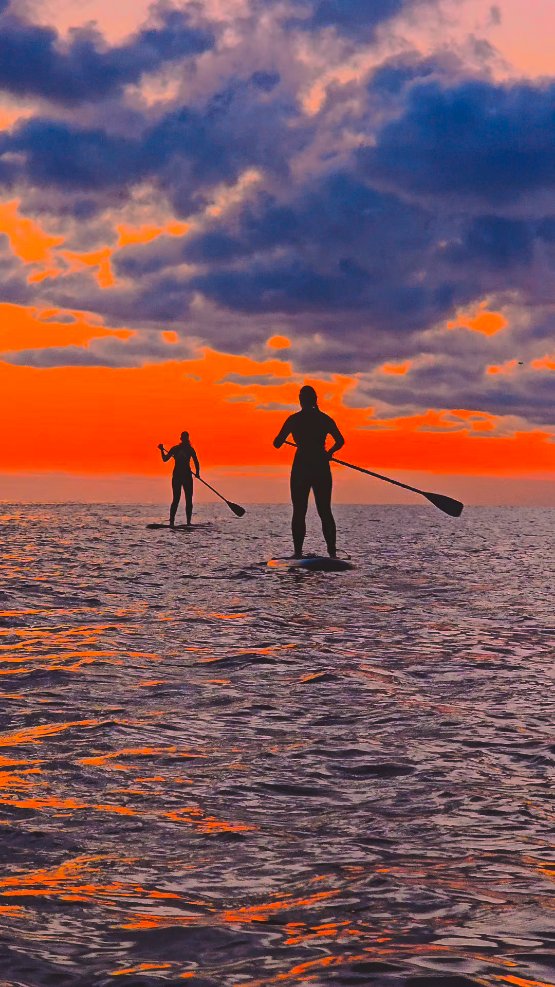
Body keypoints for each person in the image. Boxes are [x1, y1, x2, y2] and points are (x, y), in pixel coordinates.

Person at [273, 386, 344, 558]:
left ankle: (298, 553)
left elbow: (277, 443)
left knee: (299, 511)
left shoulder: (293, 420)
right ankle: (332, 553)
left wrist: (286, 439)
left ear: (301, 401)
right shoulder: (324, 419)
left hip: (302, 467)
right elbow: (340, 441)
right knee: (324, 510)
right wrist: (329, 453)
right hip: (320, 465)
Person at [158, 431, 200, 527]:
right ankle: (172, 522)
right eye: (184, 438)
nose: (185, 440)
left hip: (186, 476)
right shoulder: (176, 449)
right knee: (177, 499)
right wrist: (161, 450)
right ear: (182, 439)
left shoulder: (189, 449)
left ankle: (187, 522)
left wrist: (197, 473)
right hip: (178, 476)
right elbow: (165, 459)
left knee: (188, 500)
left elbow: (196, 462)